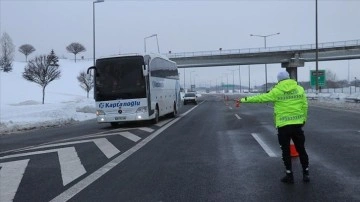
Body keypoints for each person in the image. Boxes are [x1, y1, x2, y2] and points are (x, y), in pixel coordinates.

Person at [239, 71, 309, 184]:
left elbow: (261, 98)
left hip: (283, 126)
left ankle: (289, 175)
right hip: (297, 124)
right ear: (289, 78)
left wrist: (243, 99)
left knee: (285, 151)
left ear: (279, 80)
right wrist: (304, 119)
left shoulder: (276, 91)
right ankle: (306, 173)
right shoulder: (299, 89)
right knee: (301, 150)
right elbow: (305, 105)